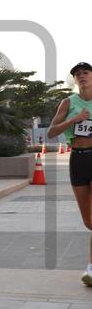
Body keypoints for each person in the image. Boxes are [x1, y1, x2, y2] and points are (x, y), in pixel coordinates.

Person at [47, 62, 92, 286]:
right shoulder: (68, 102)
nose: (82, 76)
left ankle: (91, 267)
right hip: (78, 159)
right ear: (74, 80)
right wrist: (74, 120)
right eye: (78, 74)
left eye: (86, 72)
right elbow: (51, 132)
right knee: (89, 221)